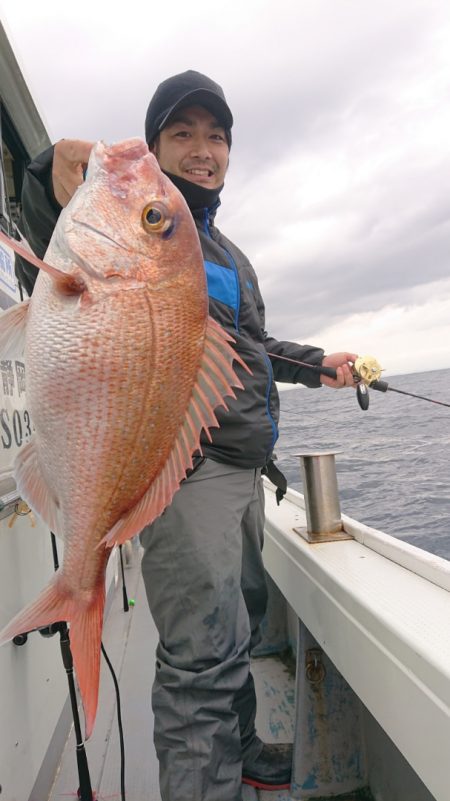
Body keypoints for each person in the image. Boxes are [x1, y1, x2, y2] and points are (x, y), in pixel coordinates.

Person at [15, 70, 357, 801]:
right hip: (186, 472)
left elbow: (251, 347)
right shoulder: (150, 232)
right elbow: (51, 240)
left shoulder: (224, 253)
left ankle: (241, 746)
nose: (204, 150)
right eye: (184, 134)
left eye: (217, 136)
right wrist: (47, 175)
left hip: (241, 469)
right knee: (201, 655)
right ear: (161, 146)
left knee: (237, 627)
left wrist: (316, 364)